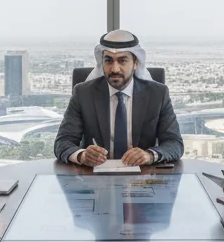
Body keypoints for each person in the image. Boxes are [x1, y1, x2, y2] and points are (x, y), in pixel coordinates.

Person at [54, 30, 184, 167]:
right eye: (108, 61)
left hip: (143, 178)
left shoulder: (158, 94)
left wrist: (149, 155)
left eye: (122, 61)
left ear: (135, 63)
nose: (115, 69)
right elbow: (63, 142)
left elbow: (174, 143)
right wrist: (82, 155)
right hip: (95, 180)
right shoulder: (83, 93)